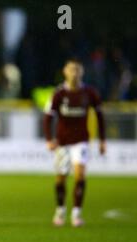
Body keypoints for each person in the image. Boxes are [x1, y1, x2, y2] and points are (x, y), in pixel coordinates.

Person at [43, 59, 106, 227]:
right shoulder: (59, 94)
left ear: (82, 72)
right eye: (71, 69)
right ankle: (60, 210)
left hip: (81, 141)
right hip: (62, 142)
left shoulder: (89, 93)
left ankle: (76, 213)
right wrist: (49, 139)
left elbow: (100, 116)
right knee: (60, 179)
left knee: (80, 175)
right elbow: (48, 118)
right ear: (65, 72)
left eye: (77, 70)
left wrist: (102, 140)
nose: (74, 73)